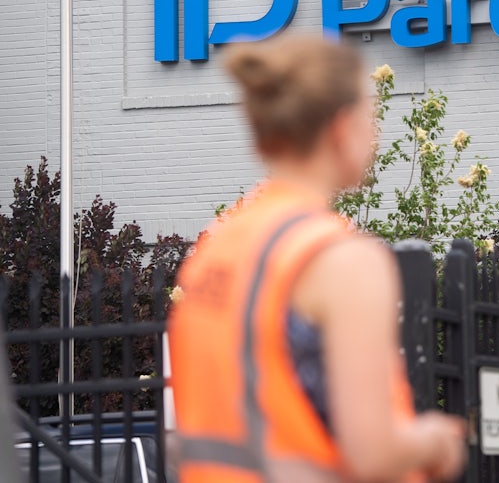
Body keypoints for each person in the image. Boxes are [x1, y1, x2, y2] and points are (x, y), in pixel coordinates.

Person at [167, 34, 467, 483]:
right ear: (342, 130)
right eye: (371, 117)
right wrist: (436, 439)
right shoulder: (343, 260)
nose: (377, 132)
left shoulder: (216, 249)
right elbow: (372, 454)